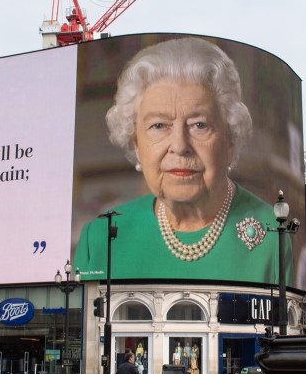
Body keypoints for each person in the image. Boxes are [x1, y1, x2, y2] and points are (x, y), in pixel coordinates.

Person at [74, 37, 293, 283]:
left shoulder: (273, 234)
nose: (179, 146)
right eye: (159, 125)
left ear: (230, 140)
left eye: (199, 125)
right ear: (136, 145)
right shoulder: (100, 238)